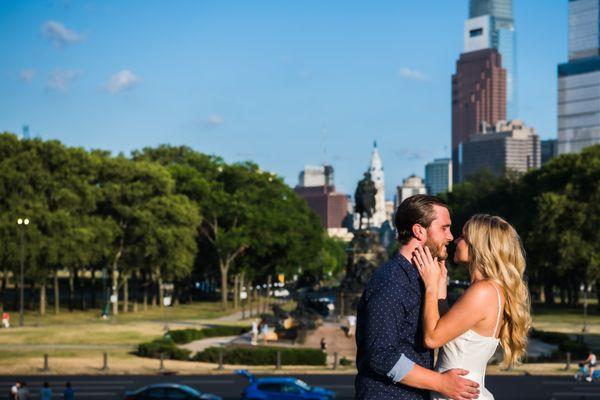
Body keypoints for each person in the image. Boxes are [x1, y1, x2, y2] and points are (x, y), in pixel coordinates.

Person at [355, 195, 480, 400]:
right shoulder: (392, 281)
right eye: (444, 228)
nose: (450, 236)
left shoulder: (418, 278)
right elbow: (381, 355)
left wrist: (438, 289)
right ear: (419, 231)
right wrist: (440, 382)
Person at [413, 214, 532, 399]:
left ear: (477, 247)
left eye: (463, 236)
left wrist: (430, 285)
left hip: (459, 393)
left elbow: (432, 338)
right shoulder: (488, 289)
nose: (455, 240)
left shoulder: (483, 291)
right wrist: (440, 287)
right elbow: (447, 331)